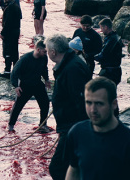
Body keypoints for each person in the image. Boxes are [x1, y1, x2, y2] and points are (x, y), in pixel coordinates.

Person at [64, 77, 130, 180]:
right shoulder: (77, 133)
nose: (93, 110)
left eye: (99, 103)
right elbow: (74, 169)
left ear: (114, 104)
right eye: (89, 103)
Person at [46, 34, 91, 180]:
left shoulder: (72, 68)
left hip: (74, 126)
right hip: (68, 125)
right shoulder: (69, 63)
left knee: (58, 168)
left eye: (47, 51)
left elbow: (80, 101)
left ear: (53, 52)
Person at [8, 39, 51, 133]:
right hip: (25, 85)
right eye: (44, 51)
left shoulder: (44, 57)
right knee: (18, 106)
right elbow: (14, 73)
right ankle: (11, 125)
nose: (46, 53)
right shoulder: (25, 59)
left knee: (45, 103)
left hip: (37, 83)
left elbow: (44, 68)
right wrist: (16, 86)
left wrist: (47, 79)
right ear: (38, 50)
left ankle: (43, 124)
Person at [94, 18, 123, 85]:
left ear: (106, 27)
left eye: (101, 28)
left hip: (110, 72)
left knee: (104, 91)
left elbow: (104, 54)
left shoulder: (112, 39)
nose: (101, 30)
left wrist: (92, 57)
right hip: (115, 70)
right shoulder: (115, 37)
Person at [0, 0, 22, 78]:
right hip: (15, 32)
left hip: (10, 33)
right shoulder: (16, 6)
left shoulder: (10, 8)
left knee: (8, 52)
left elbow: (8, 23)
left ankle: (7, 71)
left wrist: (3, 33)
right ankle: (15, 71)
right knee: (14, 52)